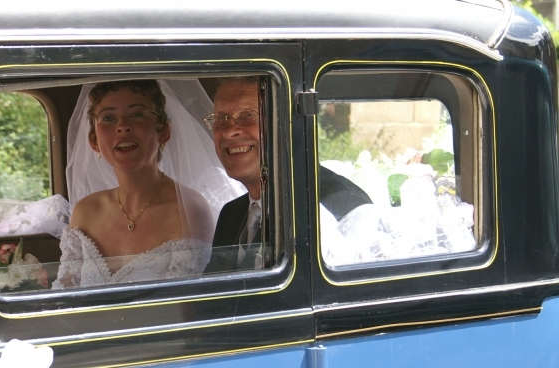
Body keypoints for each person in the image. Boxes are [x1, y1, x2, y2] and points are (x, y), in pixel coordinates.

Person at [53, 80, 231, 288]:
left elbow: (185, 306)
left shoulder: (188, 209)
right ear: (94, 140)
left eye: (137, 114)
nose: (122, 126)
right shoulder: (85, 211)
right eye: (109, 118)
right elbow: (64, 296)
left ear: (163, 132)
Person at [206, 77, 372, 272]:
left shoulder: (337, 204)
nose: (229, 132)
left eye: (248, 116)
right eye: (220, 119)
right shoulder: (231, 214)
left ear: (286, 122)